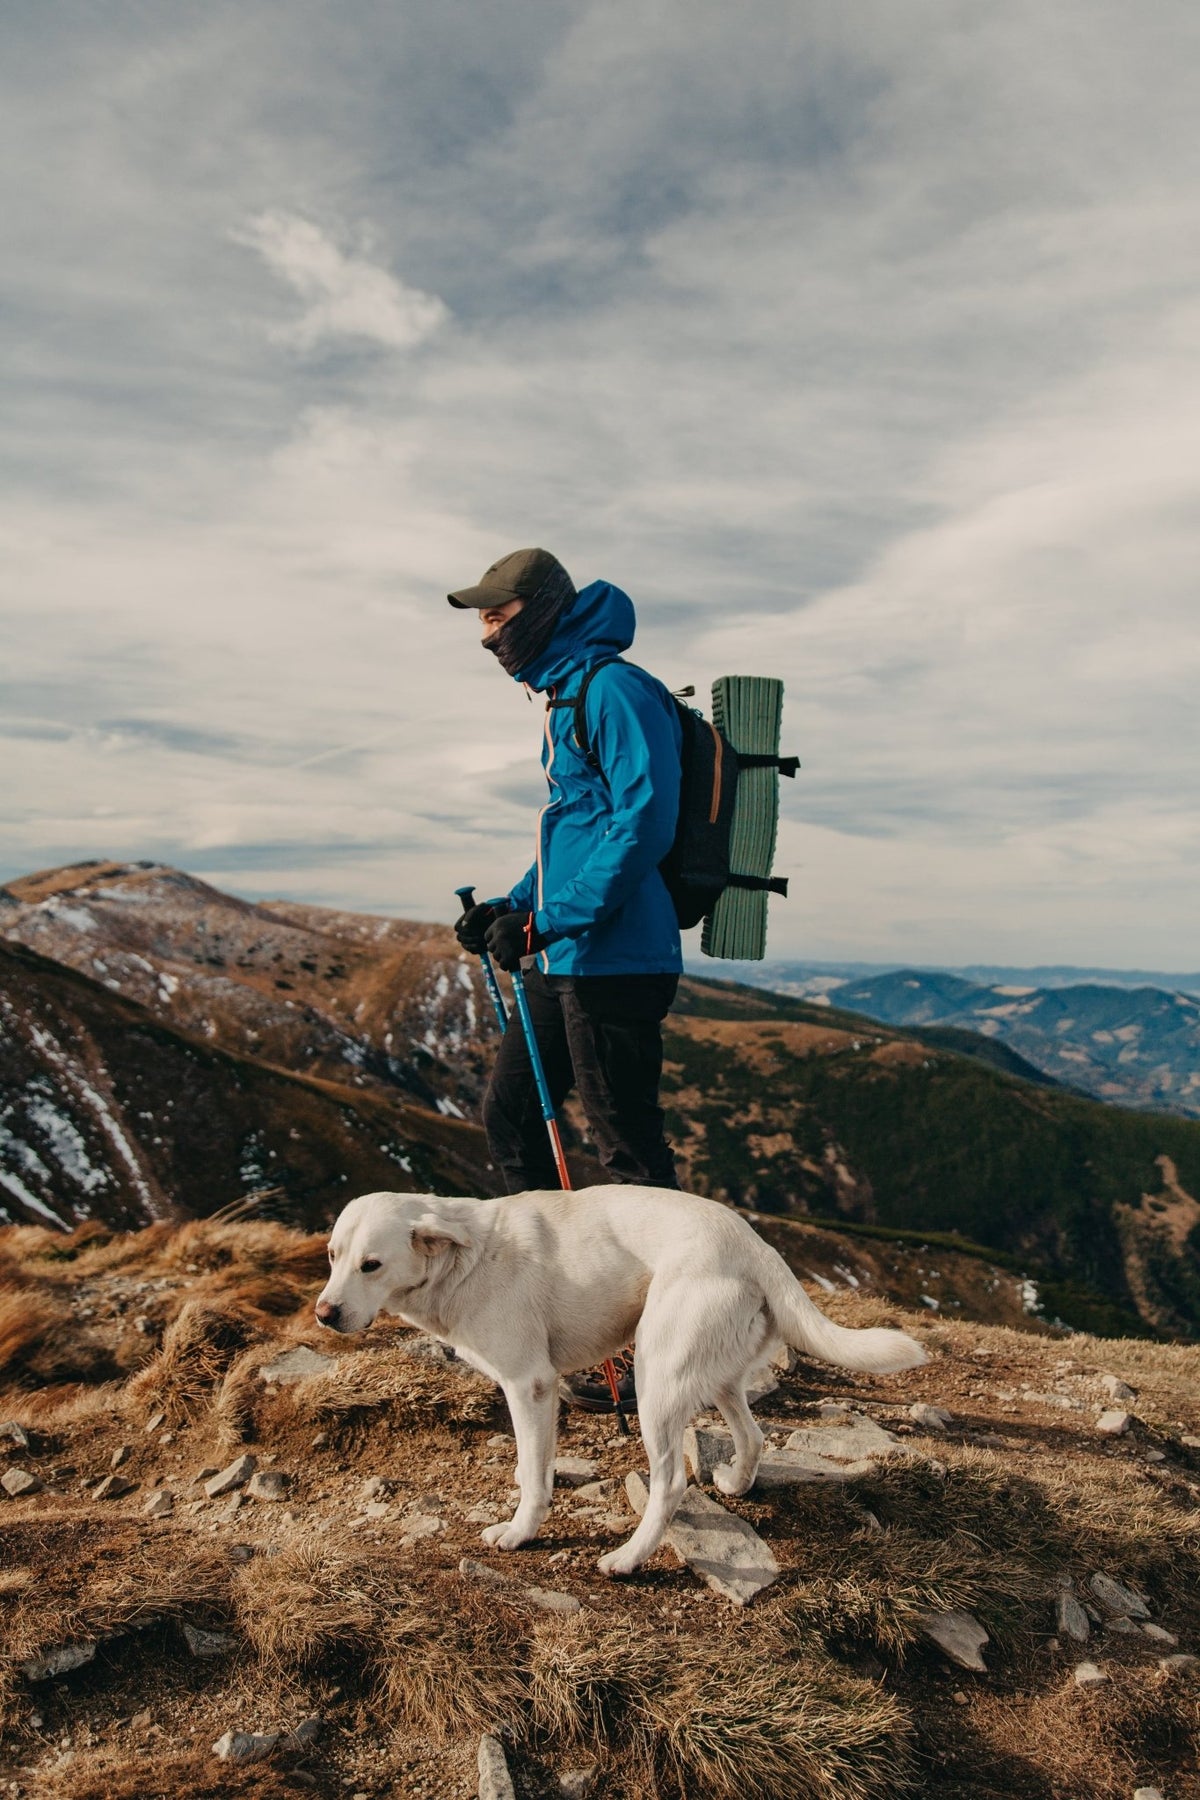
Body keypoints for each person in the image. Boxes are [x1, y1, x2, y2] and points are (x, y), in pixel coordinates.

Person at [448, 546, 684, 1411]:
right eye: (482, 619)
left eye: (498, 616)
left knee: (627, 1154)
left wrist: (548, 918)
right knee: (507, 1117)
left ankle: (665, 1352)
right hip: (565, 954)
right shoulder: (563, 696)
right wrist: (511, 904)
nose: (487, 635)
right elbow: (576, 832)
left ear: (542, 609)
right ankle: (551, 1317)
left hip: (616, 961)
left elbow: (644, 825)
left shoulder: (614, 691)